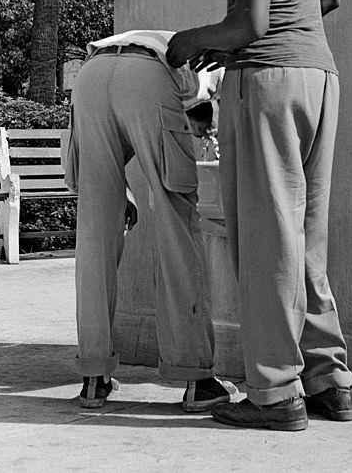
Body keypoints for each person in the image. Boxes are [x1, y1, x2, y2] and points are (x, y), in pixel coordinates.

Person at [166, 0, 352, 432]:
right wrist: (248, 41)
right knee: (305, 236)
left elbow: (251, 24)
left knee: (267, 240)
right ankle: (331, 380)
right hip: (318, 80)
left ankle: (275, 392)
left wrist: (192, 40)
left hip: (269, 85)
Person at [65, 29, 234, 412]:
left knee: (95, 230)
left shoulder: (154, 42)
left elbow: (109, 141)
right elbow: (183, 109)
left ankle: (94, 378)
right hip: (147, 74)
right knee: (177, 224)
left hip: (90, 76)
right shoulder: (210, 75)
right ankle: (196, 379)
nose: (204, 138)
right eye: (203, 132)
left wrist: (121, 189)